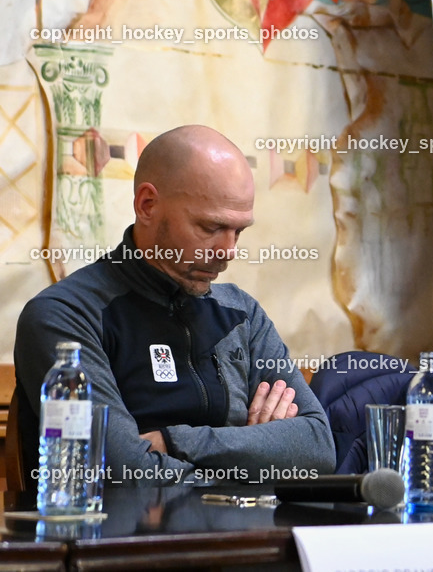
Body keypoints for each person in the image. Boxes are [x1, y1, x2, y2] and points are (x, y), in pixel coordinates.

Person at [15, 125, 335, 485]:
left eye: (239, 231)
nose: (228, 251)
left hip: (245, 520)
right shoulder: (66, 315)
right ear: (147, 205)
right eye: (210, 227)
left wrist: (173, 442)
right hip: (133, 523)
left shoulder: (242, 314)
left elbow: (318, 449)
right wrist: (254, 454)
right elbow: (124, 472)